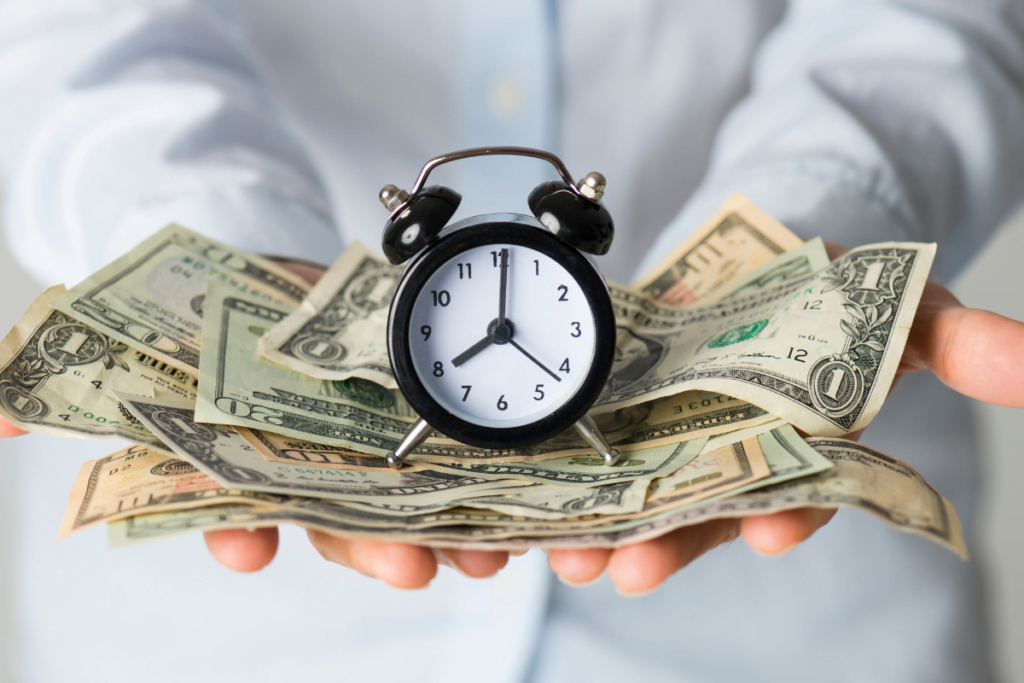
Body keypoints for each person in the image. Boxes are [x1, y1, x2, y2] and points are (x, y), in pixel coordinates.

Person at [1, 1, 1023, 681]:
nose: (498, 327)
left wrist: (817, 222)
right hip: (221, 644)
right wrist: (205, 252)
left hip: (799, 631)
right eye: (485, 327)